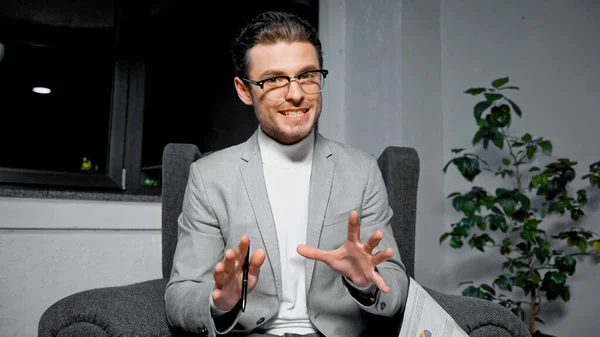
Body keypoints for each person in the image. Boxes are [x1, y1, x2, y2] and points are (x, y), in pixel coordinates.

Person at [165, 10, 409, 337]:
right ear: (243, 89)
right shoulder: (209, 178)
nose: (295, 93)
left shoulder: (361, 170)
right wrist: (219, 301)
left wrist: (365, 283)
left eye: (307, 75)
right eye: (274, 79)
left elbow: (395, 286)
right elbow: (179, 295)